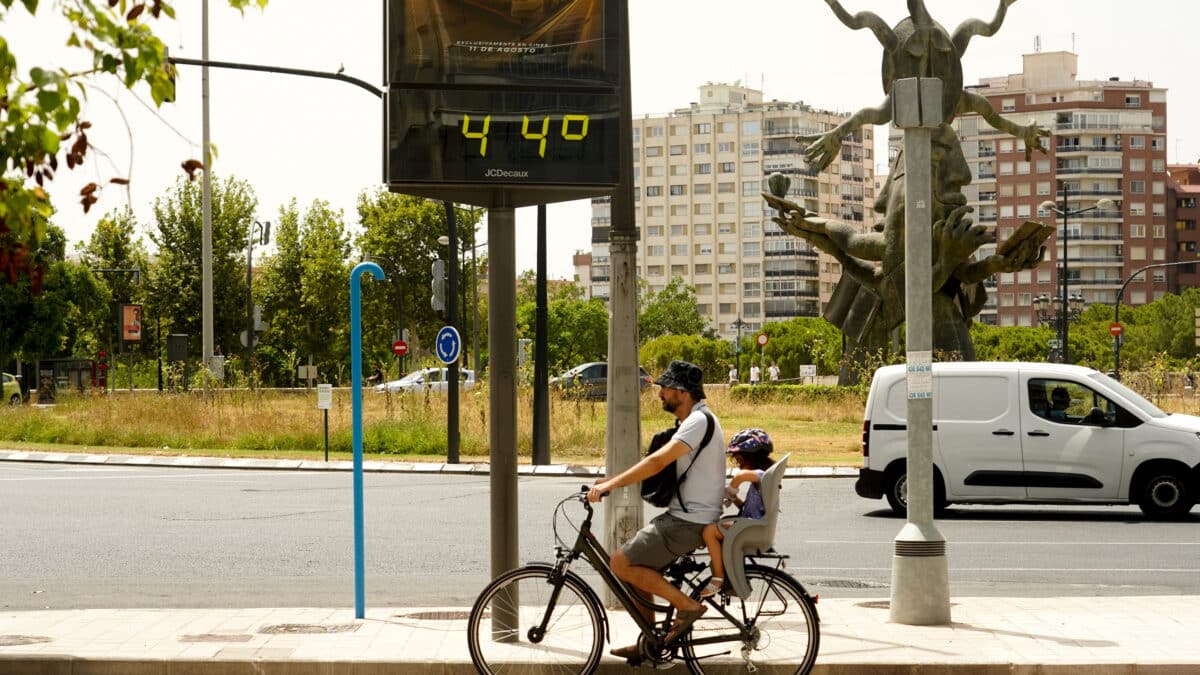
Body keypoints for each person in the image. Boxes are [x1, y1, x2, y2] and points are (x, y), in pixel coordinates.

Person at [588, 360, 726, 661]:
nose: (660, 394)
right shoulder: (697, 419)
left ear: (683, 392)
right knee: (637, 568)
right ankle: (649, 642)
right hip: (687, 516)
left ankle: (688, 607)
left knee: (621, 563)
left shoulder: (698, 422)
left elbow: (656, 463)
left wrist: (611, 484)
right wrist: (612, 479)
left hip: (688, 521)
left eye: (665, 389)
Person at [698, 429, 774, 598]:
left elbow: (740, 476)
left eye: (738, 458)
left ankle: (718, 578)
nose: (737, 463)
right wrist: (736, 499)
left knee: (709, 531)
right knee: (718, 527)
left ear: (750, 456)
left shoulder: (762, 475)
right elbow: (755, 507)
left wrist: (731, 489)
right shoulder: (764, 475)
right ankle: (728, 576)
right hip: (752, 525)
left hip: (750, 529)